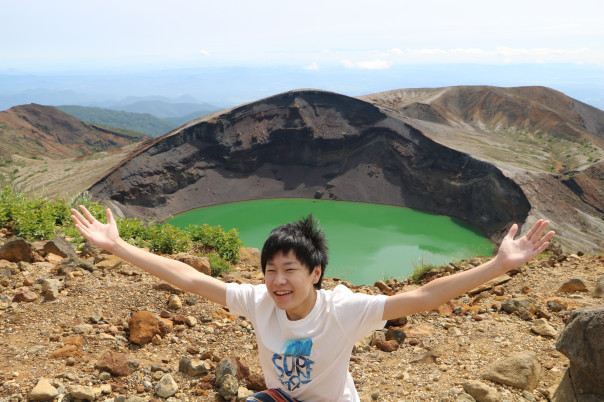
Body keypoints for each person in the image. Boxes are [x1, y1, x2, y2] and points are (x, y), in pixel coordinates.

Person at [70, 206, 554, 402]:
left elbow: (422, 296)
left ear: (316, 273)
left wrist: (498, 266)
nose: (278, 282)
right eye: (270, 270)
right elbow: (190, 278)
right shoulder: (258, 301)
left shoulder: (343, 310)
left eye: (290, 271)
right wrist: (118, 247)